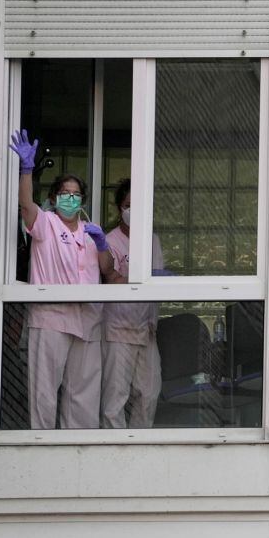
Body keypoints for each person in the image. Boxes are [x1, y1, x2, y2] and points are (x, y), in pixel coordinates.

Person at [9, 130, 121, 429]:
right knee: (44, 394)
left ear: (82, 199)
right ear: (53, 197)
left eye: (76, 194)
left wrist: (101, 245)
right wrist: (27, 171)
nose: (71, 199)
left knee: (83, 398)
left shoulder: (91, 229)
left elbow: (108, 270)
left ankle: (77, 457)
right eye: (65, 193)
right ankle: (41, 451)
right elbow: (26, 207)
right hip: (51, 319)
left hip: (87, 321)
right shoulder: (46, 223)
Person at [100, 179, 165, 429]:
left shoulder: (153, 240)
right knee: (115, 398)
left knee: (149, 392)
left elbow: (156, 281)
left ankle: (139, 443)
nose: (132, 211)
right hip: (118, 328)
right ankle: (113, 448)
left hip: (146, 329)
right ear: (119, 209)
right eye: (128, 205)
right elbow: (110, 278)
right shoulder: (110, 241)